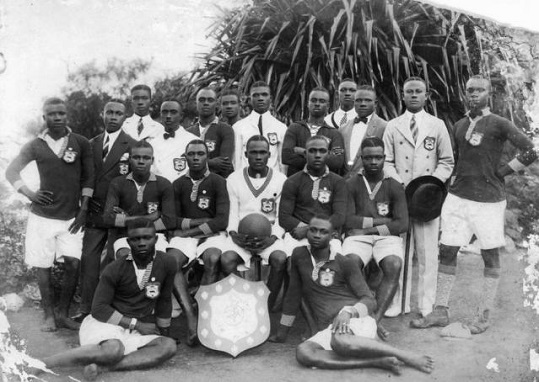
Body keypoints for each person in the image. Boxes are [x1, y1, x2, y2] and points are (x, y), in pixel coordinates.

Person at [411, 75, 537, 333]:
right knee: (447, 251)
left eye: (480, 90)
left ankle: (484, 315)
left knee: (489, 255)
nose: (474, 94)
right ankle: (440, 311)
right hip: (458, 198)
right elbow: (460, 161)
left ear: (488, 94)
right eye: (470, 90)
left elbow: (531, 149)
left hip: (489, 201)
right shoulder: (458, 125)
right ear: (464, 93)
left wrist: (502, 172)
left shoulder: (500, 123)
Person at [269, 215, 433, 375]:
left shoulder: (344, 262)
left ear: (333, 235)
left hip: (352, 319)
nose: (317, 235)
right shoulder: (299, 255)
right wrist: (283, 331)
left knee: (341, 341)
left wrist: (348, 313)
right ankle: (377, 362)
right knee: (304, 352)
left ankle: (405, 355)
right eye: (313, 230)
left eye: (323, 231)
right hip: (330, 328)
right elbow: (293, 293)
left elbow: (370, 300)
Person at [32, 218, 177, 381]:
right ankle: (43, 363)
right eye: (136, 239)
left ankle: (102, 368)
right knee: (113, 350)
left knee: (168, 346)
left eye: (147, 237)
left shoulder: (167, 262)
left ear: (156, 239)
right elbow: (99, 309)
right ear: (129, 242)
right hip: (105, 323)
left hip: (133, 328)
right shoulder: (115, 268)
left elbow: (164, 299)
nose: (142, 243)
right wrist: (138, 325)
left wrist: (164, 333)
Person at [6, 98, 94, 332]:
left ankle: (63, 313)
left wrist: (84, 209)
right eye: (52, 114)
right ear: (44, 118)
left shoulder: (80, 142)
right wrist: (29, 193)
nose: (57, 117)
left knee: (73, 263)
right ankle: (48, 315)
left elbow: (88, 177)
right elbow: (11, 170)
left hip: (71, 217)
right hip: (42, 217)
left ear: (67, 116)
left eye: (61, 113)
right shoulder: (35, 145)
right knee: (42, 266)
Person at [382, 76, 454, 317]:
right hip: (401, 195)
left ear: (426, 96)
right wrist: (399, 185)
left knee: (427, 253)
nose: (413, 95)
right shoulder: (393, 125)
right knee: (400, 250)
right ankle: (397, 303)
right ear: (402, 96)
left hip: (427, 200)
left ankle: (426, 305)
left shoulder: (437, 124)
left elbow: (446, 161)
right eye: (409, 92)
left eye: (418, 91)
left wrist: (431, 186)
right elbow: (387, 161)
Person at [73, 99, 137, 324]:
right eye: (109, 112)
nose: (113, 116)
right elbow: (84, 177)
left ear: (124, 117)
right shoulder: (91, 143)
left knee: (114, 261)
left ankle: (111, 309)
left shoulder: (132, 145)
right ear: (102, 114)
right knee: (89, 260)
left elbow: (136, 180)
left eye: (118, 113)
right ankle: (86, 308)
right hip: (94, 210)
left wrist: (126, 208)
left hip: (117, 212)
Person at [343, 137, 408, 339]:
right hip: (357, 237)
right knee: (350, 262)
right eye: (369, 157)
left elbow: (402, 224)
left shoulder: (394, 185)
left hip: (384, 238)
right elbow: (347, 219)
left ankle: (373, 320)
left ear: (384, 158)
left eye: (378, 157)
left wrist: (369, 229)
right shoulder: (351, 184)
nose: (373, 162)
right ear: (361, 158)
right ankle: (363, 313)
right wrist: (381, 221)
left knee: (394, 264)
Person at [167, 139, 229, 345]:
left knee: (213, 258)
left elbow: (221, 220)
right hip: (187, 238)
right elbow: (172, 219)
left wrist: (188, 231)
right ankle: (190, 316)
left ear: (207, 156)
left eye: (200, 154)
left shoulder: (219, 182)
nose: (195, 158)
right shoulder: (177, 184)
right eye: (191, 154)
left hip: (211, 236)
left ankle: (203, 312)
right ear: (185, 157)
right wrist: (198, 222)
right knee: (171, 261)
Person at [221, 135, 288, 310]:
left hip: (269, 235)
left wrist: (272, 237)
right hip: (241, 236)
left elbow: (282, 216)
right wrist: (234, 234)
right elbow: (232, 213)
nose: (258, 157)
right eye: (254, 152)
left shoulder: (280, 180)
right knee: (227, 259)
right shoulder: (234, 179)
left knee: (280, 259)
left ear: (269, 154)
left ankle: (267, 306)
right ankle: (239, 303)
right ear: (245, 154)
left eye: (263, 152)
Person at [103, 140, 175, 259]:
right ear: (130, 159)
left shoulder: (164, 184)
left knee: (160, 260)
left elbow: (169, 221)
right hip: (125, 237)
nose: (141, 161)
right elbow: (108, 218)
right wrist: (150, 218)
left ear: (152, 160)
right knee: (125, 258)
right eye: (136, 157)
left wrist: (126, 219)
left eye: (146, 158)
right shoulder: (118, 183)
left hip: (154, 236)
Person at [279, 135, 347, 251]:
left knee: (333, 264)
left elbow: (339, 216)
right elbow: (284, 217)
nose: (317, 155)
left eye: (322, 151)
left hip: (327, 234)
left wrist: (310, 230)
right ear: (305, 154)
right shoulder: (292, 181)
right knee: (292, 261)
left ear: (329, 154)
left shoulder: (338, 182)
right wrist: (303, 229)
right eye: (312, 151)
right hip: (297, 235)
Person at [282, 87, 345, 176]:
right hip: (298, 182)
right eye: (313, 100)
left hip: (324, 184)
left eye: (322, 101)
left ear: (327, 106)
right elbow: (286, 157)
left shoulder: (334, 133)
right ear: (308, 103)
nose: (317, 104)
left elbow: (337, 162)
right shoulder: (295, 128)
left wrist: (303, 152)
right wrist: (323, 158)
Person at [232, 81, 287, 173]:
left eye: (264, 95)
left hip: (273, 182)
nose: (260, 98)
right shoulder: (238, 127)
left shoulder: (281, 128)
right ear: (249, 99)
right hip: (246, 180)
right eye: (255, 95)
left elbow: (283, 163)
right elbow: (236, 160)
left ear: (271, 98)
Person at [340, 85, 388, 177]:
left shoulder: (384, 127)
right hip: (344, 182)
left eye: (368, 100)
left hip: (370, 182)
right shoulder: (343, 128)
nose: (362, 103)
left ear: (376, 103)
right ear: (354, 103)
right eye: (358, 100)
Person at [187, 87, 234, 178]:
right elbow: (184, 161)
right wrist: (212, 162)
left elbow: (224, 164)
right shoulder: (188, 132)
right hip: (191, 183)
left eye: (210, 100)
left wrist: (195, 162)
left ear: (216, 104)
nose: (206, 103)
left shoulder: (225, 129)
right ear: (196, 103)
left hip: (216, 183)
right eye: (202, 100)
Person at [151, 99, 199, 182]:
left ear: (181, 116)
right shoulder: (152, 143)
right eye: (165, 112)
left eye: (173, 112)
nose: (168, 116)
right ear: (160, 115)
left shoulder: (194, 142)